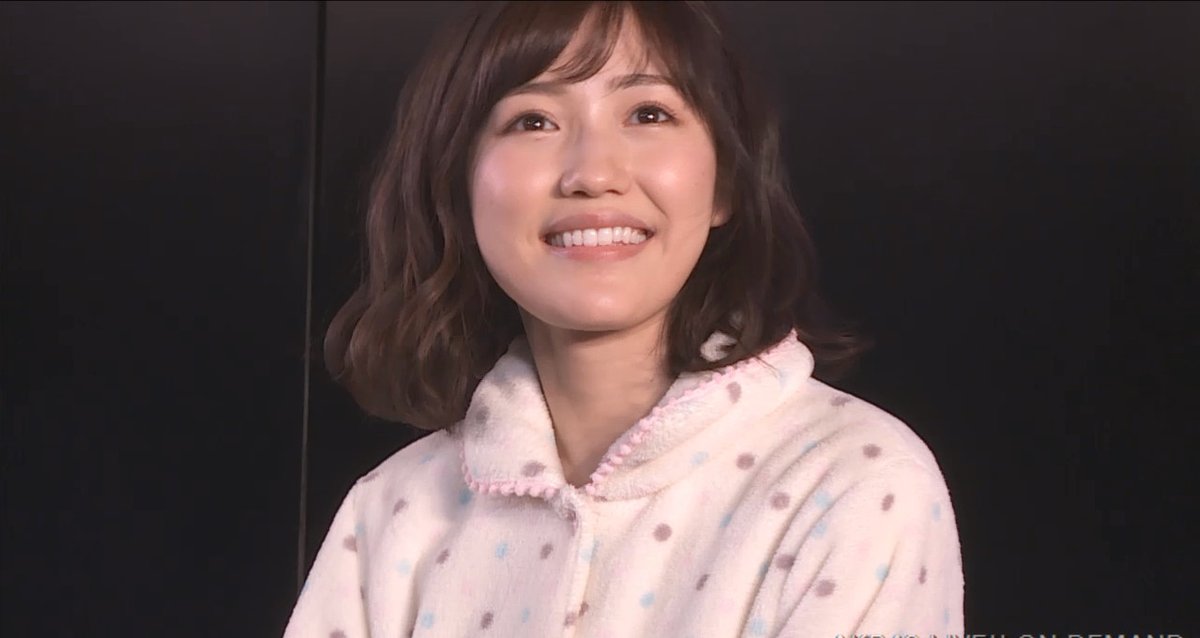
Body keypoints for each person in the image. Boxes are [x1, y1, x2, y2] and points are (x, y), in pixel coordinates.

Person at [283, 1, 965, 636]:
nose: (593, 172)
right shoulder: (390, 511)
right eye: (533, 121)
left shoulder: (857, 482)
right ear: (457, 192)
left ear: (725, 182)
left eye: (648, 114)